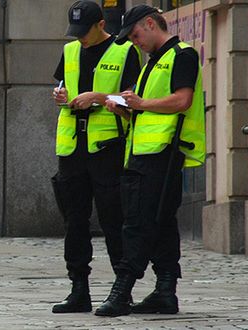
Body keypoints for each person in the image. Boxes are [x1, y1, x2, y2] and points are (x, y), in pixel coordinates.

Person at [94, 4, 206, 317]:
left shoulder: (181, 55)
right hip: (145, 152)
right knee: (160, 222)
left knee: (137, 224)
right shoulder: (153, 62)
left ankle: (123, 289)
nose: (134, 41)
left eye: (136, 34)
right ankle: (165, 290)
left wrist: (141, 102)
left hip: (163, 152)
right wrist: (128, 109)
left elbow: (181, 100)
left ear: (150, 23)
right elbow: (150, 110)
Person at [51, 0, 141, 314]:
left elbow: (133, 101)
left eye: (84, 31)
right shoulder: (70, 51)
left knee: (113, 219)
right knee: (74, 221)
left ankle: (122, 288)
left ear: (101, 24)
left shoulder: (124, 51)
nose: (80, 37)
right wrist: (61, 96)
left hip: (107, 148)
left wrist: (99, 98)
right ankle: (78, 288)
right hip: (73, 148)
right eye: (75, 31)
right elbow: (62, 87)